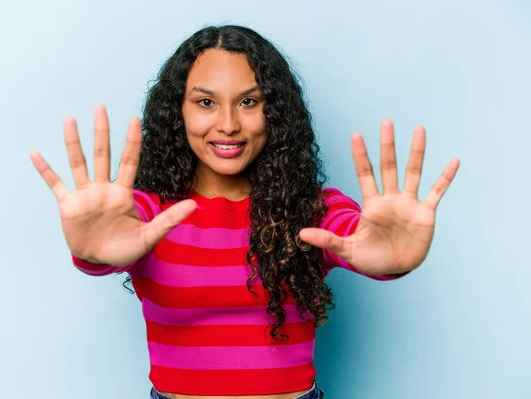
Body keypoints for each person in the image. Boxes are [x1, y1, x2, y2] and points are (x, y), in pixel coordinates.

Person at [30, 25, 459, 399]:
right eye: (205, 103)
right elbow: (110, 239)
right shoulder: (148, 211)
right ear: (178, 112)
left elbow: (357, 237)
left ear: (274, 112)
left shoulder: (313, 208)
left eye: (249, 102)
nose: (229, 124)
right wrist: (93, 251)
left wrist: (390, 258)